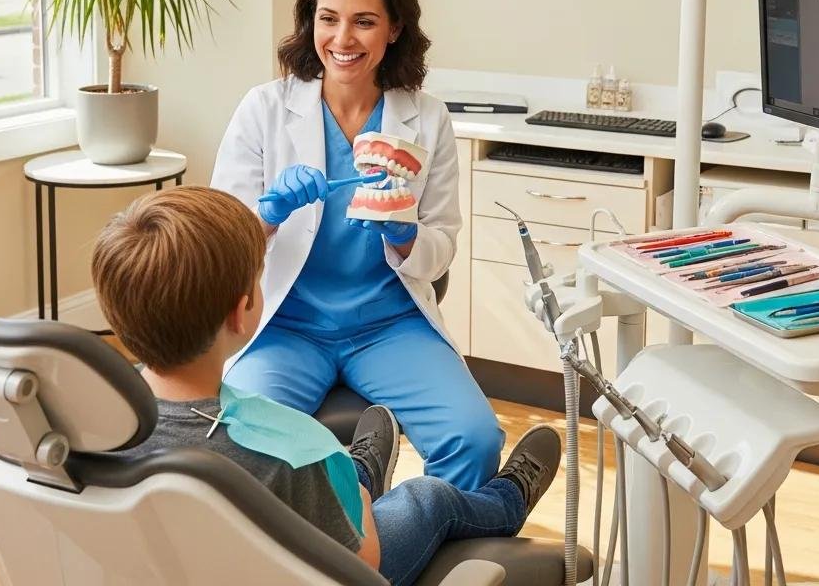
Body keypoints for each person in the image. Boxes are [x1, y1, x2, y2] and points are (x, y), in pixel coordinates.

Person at [93, 187, 561, 586]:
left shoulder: (94, 425)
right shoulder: (298, 450)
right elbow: (361, 560)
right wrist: (354, 499)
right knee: (426, 498)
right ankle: (504, 499)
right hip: (325, 568)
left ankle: (358, 473)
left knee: (337, 485)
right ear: (244, 312)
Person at [210, 0, 503, 490]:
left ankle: (406, 542)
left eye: (364, 22)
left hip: (389, 326)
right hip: (286, 327)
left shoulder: (427, 118)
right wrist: (266, 215)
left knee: (476, 441)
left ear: (393, 29)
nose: (342, 41)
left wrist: (405, 232)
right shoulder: (264, 109)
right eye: (329, 19)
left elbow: (443, 243)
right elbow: (220, 244)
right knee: (236, 446)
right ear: (310, 22)